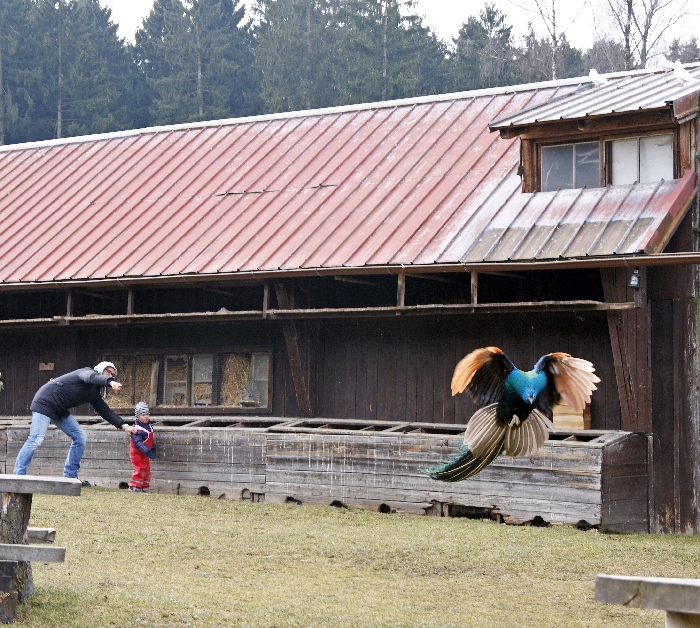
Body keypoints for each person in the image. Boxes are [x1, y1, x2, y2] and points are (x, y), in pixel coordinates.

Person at [13, 361, 137, 484]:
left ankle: (70, 478)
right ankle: (18, 476)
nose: (109, 375)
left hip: (59, 409)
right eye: (107, 371)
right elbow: (91, 377)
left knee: (80, 437)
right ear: (100, 369)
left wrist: (124, 426)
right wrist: (110, 382)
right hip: (45, 402)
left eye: (112, 374)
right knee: (36, 438)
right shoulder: (86, 372)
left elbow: (105, 411)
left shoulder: (93, 393)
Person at [129, 402, 155, 493]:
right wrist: (147, 450)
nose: (146, 416)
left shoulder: (149, 427)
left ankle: (144, 486)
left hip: (145, 454)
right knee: (140, 469)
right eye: (143, 415)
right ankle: (135, 486)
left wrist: (152, 448)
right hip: (137, 454)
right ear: (137, 417)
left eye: (147, 414)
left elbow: (150, 440)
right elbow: (138, 443)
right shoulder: (136, 429)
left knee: (147, 469)